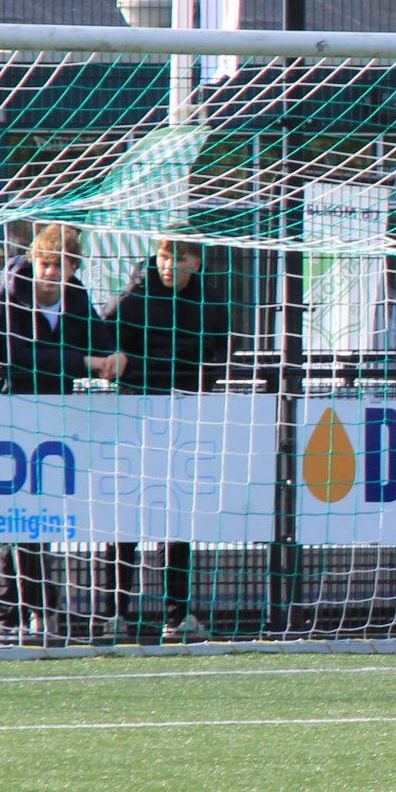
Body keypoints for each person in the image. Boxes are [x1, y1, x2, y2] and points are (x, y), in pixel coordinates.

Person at [0, 225, 125, 643]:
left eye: (59, 266)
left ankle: (23, 614)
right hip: (8, 412)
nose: (49, 272)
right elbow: (18, 355)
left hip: (56, 416)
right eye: (44, 263)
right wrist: (86, 362)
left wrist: (116, 354)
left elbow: (103, 337)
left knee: (38, 516)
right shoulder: (4, 297)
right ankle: (25, 612)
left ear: (72, 268)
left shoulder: (78, 298)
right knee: (17, 518)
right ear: (33, 261)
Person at [113, 240, 233, 644]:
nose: (167, 265)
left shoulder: (212, 301)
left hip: (186, 415)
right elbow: (106, 344)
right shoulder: (133, 298)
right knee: (126, 514)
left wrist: (199, 382)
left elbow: (223, 351)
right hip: (135, 416)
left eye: (177, 259)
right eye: (163, 257)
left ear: (196, 262)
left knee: (177, 516)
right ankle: (114, 613)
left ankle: (177, 615)